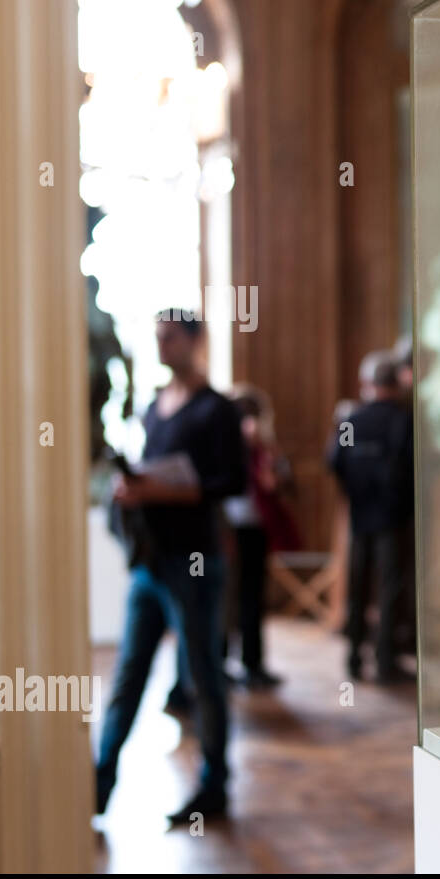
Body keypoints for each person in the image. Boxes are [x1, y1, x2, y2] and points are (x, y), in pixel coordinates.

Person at [97, 309, 245, 822]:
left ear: (195, 341)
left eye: (170, 337)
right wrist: (133, 487)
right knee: (128, 675)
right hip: (151, 563)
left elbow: (232, 483)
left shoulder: (217, 410)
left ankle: (214, 788)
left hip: (196, 561)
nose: (161, 346)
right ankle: (99, 785)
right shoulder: (156, 407)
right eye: (156, 337)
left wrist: (160, 489)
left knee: (204, 675)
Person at [328, 350, 415, 683]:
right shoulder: (402, 419)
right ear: (395, 382)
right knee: (390, 586)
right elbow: (411, 467)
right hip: (392, 515)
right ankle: (384, 660)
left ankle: (353, 658)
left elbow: (335, 461)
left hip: (360, 513)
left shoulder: (353, 418)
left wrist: (356, 488)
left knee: (358, 585)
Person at [223, 385, 301, 687]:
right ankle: (220, 664)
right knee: (225, 600)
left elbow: (285, 484)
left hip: (254, 528)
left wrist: (274, 466)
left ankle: (252, 664)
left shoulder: (266, 448)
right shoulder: (223, 446)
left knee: (252, 597)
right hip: (227, 529)